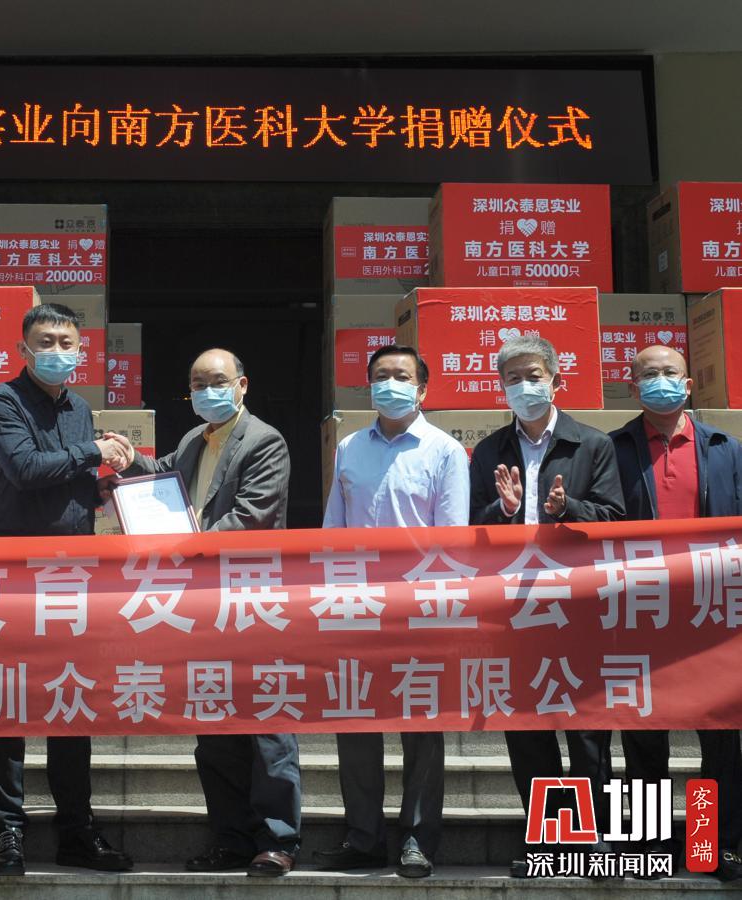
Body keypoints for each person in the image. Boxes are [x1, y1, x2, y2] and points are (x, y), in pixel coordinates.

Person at [122, 348, 301, 877]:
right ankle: (229, 838)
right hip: (202, 603)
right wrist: (127, 460)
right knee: (215, 720)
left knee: (266, 720)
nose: (207, 392)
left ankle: (277, 839)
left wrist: (182, 544)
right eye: (197, 384)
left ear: (242, 385)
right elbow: (162, 476)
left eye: (217, 381)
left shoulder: (264, 440)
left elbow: (251, 517)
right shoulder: (192, 441)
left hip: (251, 599)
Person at [0, 303, 134, 876]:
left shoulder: (81, 408)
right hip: (17, 570)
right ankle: (8, 830)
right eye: (45, 341)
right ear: (23, 348)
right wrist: (94, 452)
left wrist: (104, 489)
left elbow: (69, 482)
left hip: (73, 571)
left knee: (73, 699)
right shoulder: (1, 402)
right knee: (9, 701)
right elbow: (24, 470)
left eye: (67, 343)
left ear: (80, 350)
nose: (57, 351)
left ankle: (77, 831)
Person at [467, 335, 624, 878]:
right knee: (528, 728)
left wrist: (567, 508)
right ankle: (552, 842)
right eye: (512, 378)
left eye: (533, 376)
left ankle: (596, 840)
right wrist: (505, 510)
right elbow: (471, 530)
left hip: (578, 603)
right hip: (516, 607)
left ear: (557, 381)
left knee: (587, 728)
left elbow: (615, 519)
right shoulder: (490, 451)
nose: (524, 387)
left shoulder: (592, 444)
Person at [314, 345, 467, 879]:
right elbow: (335, 529)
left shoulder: (444, 451)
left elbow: (452, 540)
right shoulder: (350, 446)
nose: (391, 384)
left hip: (419, 609)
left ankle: (418, 839)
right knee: (356, 721)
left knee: (421, 727)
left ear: (422, 389)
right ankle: (363, 837)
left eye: (402, 376)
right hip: (357, 606)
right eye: (381, 376)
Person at [609, 344, 742, 883]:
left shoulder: (725, 450)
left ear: (688, 384)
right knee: (644, 736)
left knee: (720, 738)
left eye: (670, 372)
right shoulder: (612, 449)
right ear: (632, 385)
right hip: (639, 610)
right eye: (649, 373)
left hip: (712, 614)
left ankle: (715, 845)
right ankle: (649, 846)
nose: (660, 380)